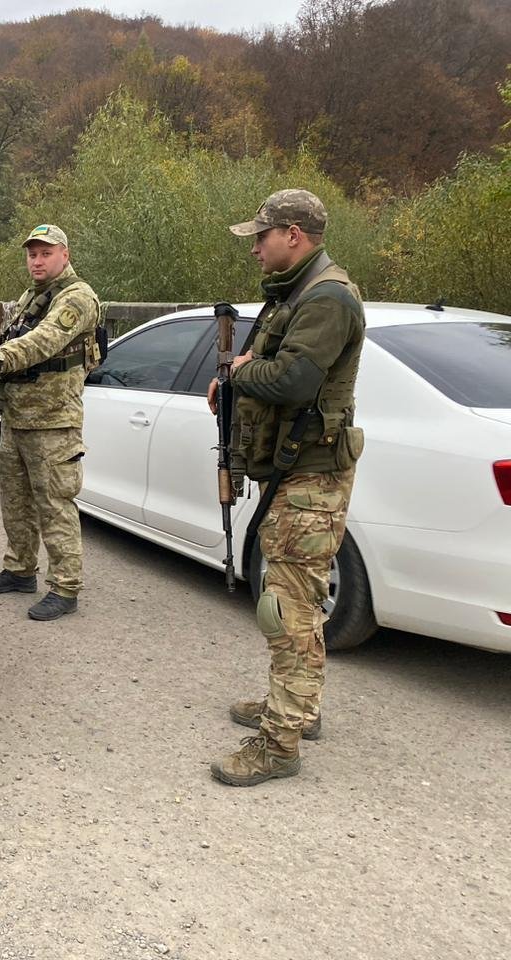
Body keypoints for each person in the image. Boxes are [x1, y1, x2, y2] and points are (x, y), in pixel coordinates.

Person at [207, 189, 365, 787]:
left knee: (288, 609)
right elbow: (275, 361)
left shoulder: (327, 298)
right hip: (296, 473)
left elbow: (295, 380)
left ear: (293, 235)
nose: (255, 248)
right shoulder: (296, 294)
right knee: (300, 601)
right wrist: (238, 375)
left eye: (261, 236)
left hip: (310, 479)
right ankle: (301, 708)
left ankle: (279, 745)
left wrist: (241, 370)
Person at [0, 225, 101, 622]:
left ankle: (65, 586)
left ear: (65, 255)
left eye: (46, 253)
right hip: (17, 418)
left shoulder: (77, 297)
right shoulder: (30, 297)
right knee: (15, 503)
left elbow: (44, 341)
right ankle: (20, 569)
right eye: (32, 254)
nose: (37, 260)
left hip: (53, 423)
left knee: (55, 506)